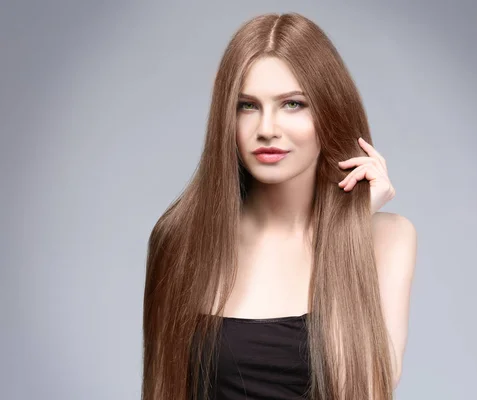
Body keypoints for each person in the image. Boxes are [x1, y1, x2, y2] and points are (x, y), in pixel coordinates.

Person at [142, 12, 417, 400]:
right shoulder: (181, 239)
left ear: (329, 111)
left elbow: (366, 390)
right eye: (247, 106)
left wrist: (350, 228)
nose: (267, 128)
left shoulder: (387, 237)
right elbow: (163, 390)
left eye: (292, 104)